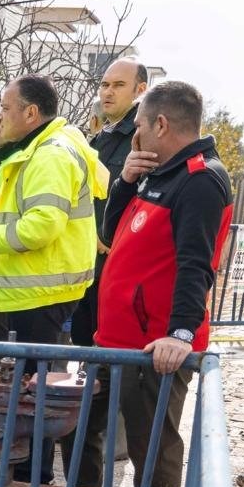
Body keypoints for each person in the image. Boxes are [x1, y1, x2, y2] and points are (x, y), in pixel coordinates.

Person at [74, 80, 233, 487]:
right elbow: (111, 234)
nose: (135, 135)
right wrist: (125, 181)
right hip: (113, 339)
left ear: (160, 124)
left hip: (153, 348)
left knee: (152, 447)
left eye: (139, 125)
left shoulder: (200, 180)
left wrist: (180, 334)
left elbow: (196, 264)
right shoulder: (156, 170)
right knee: (79, 432)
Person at [0, 76, 106, 482]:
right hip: (36, 289)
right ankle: (27, 477)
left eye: (6, 108)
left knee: (31, 396)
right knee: (29, 390)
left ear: (30, 113)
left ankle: (30, 482)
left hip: (40, 291)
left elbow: (40, 227)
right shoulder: (41, 149)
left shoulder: (50, 155)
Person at [73, 59, 151, 349]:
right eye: (105, 84)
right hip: (86, 257)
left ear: (140, 90)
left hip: (117, 258)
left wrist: (108, 235)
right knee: (82, 337)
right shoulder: (98, 138)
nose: (108, 92)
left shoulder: (142, 138)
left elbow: (144, 199)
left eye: (119, 85)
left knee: (107, 344)